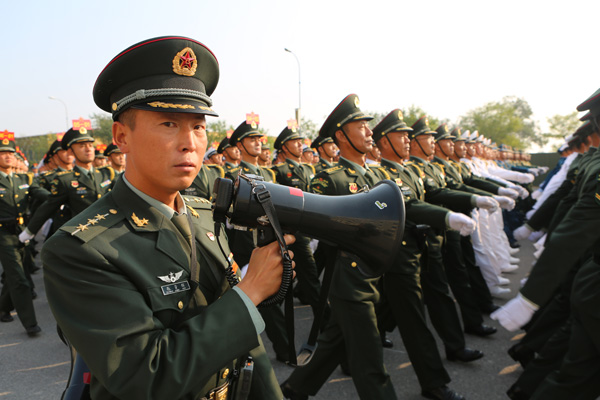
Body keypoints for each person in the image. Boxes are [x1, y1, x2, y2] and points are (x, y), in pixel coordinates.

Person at [42, 36, 294, 400]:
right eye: (168, 124)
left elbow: (247, 349)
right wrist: (251, 291)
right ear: (121, 136)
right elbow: (147, 376)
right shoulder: (79, 249)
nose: (190, 142)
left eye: (198, 126)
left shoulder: (203, 215)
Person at [282, 94, 397, 400]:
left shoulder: (376, 176)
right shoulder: (328, 179)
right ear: (342, 136)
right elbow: (312, 221)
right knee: (371, 362)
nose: (370, 132)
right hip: (349, 278)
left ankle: (294, 389)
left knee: (336, 340)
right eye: (361, 127)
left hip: (373, 274)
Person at [373, 109, 471, 400]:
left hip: (421, 247)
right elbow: (409, 206)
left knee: (375, 315)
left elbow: (438, 193)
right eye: (400, 135)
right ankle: (433, 383)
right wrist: (448, 218)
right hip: (399, 253)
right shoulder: (382, 174)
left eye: (408, 135)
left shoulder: (410, 170)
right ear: (383, 141)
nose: (408, 139)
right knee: (413, 318)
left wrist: (474, 198)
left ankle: (305, 380)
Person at [18, 126, 115, 242]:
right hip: (85, 237)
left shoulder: (107, 174)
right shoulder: (66, 180)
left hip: (110, 232)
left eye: (90, 145)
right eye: (82, 146)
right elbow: (48, 206)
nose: (88, 149)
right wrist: (29, 232)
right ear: (70, 151)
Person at [0, 131, 42, 336]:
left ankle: (2, 307)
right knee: (19, 278)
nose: (7, 156)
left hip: (23, 232)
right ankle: (30, 324)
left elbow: (43, 196)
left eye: (10, 152)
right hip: (2, 235)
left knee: (12, 274)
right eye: (2, 153)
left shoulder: (24, 178)